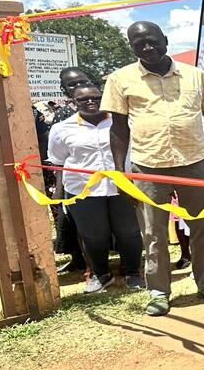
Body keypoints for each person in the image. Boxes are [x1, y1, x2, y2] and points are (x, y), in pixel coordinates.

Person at [101, 21, 204, 317]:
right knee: (153, 233)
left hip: (196, 162)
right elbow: (118, 129)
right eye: (138, 44)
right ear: (131, 47)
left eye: (152, 40)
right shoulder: (120, 79)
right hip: (148, 167)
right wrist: (120, 172)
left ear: (165, 40)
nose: (147, 47)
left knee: (202, 228)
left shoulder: (196, 76)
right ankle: (158, 292)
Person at [47, 84, 146, 293]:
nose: (91, 102)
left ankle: (133, 273)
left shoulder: (123, 123)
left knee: (129, 232)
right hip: (84, 190)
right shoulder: (62, 129)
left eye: (96, 97)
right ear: (74, 102)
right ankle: (101, 275)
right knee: (93, 235)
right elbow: (58, 160)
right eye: (83, 99)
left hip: (123, 188)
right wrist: (58, 191)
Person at [52, 68, 98, 274]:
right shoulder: (63, 116)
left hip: (108, 179)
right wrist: (58, 187)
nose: (78, 87)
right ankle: (85, 262)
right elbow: (58, 155)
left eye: (83, 81)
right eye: (71, 85)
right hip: (77, 183)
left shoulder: (101, 108)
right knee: (78, 226)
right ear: (64, 90)